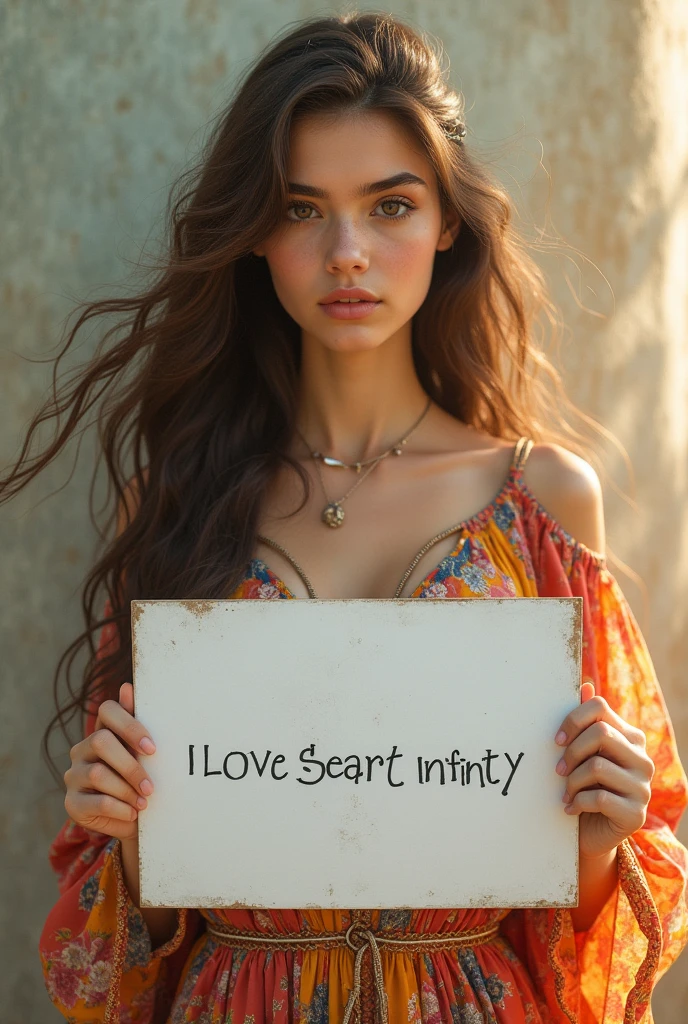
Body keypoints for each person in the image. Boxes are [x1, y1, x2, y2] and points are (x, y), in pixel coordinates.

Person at [6, 11, 684, 1023]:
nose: (348, 252)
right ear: (255, 236)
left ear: (448, 221)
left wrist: (597, 840)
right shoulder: (181, 498)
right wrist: (131, 840)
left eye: (390, 205)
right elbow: (120, 960)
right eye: (300, 208)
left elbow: (594, 951)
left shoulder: (542, 500)